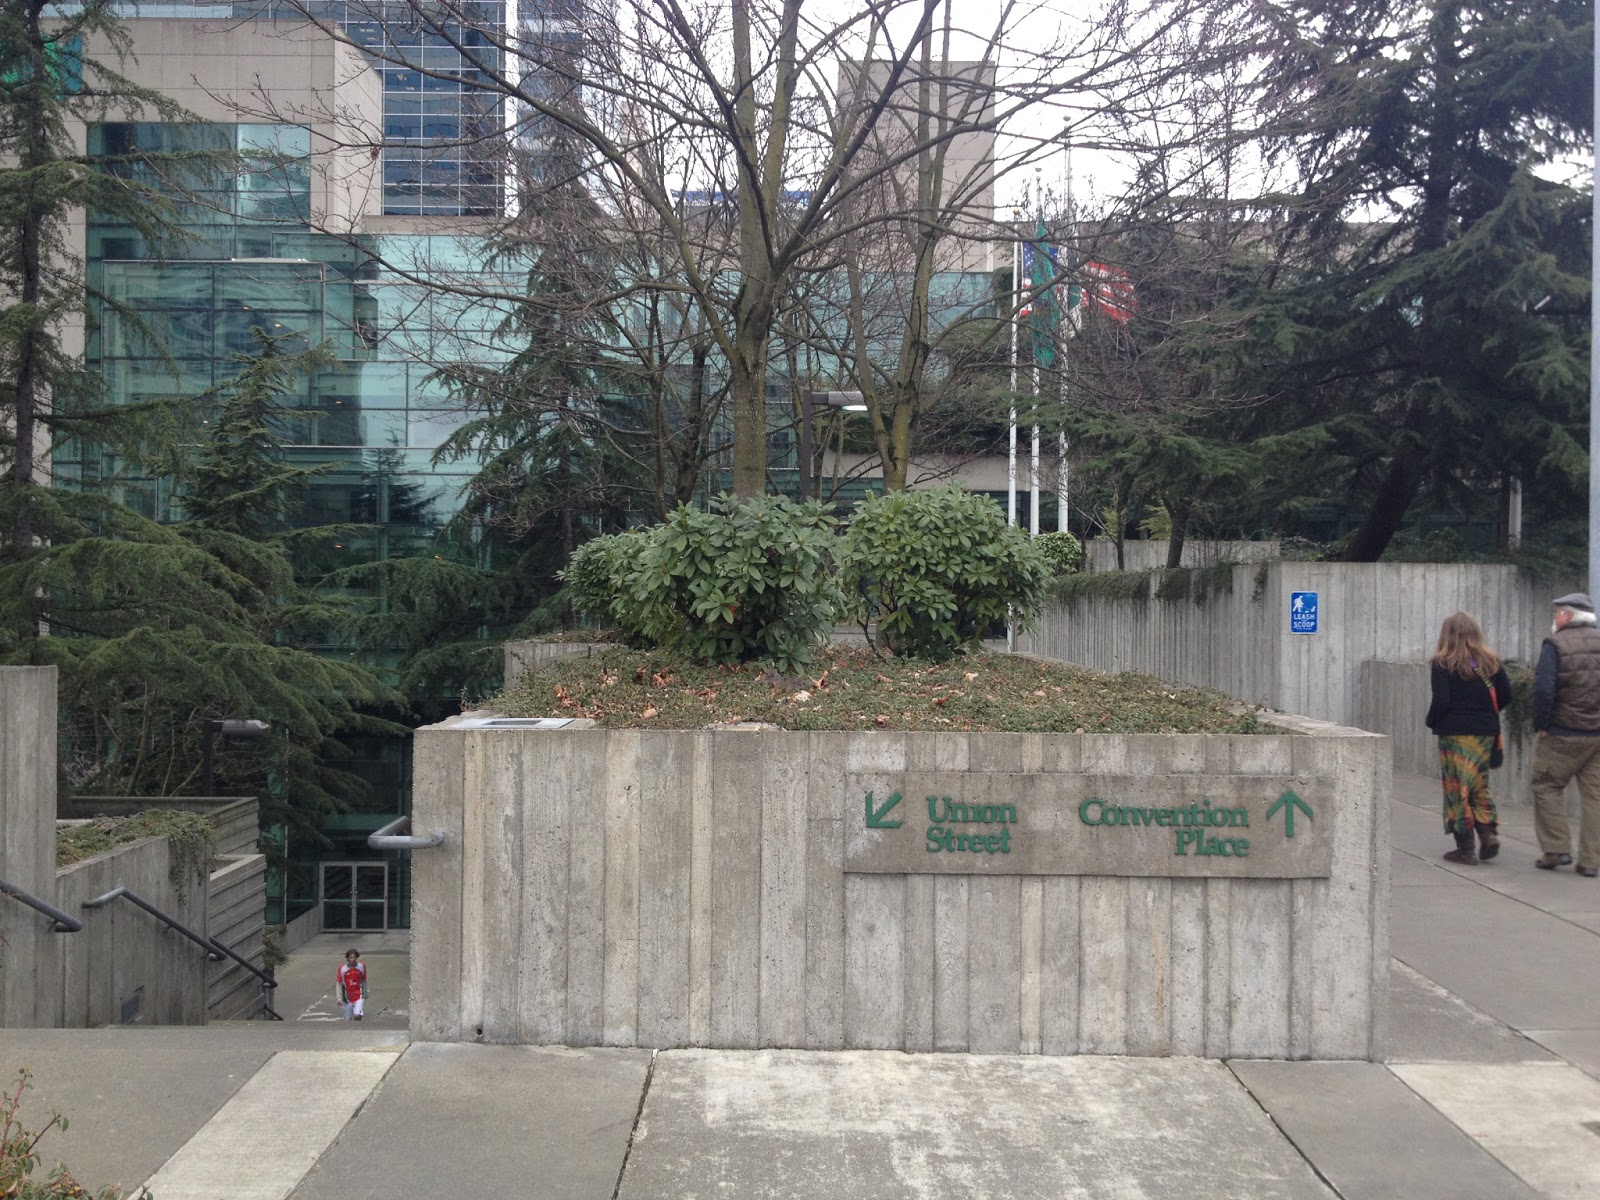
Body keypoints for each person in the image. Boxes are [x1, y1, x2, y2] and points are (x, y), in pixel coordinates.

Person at [1425, 612, 1512, 866]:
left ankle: (1465, 849)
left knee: (1457, 789)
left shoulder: (1442, 663)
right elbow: (1506, 695)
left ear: (1447, 635)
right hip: (1485, 733)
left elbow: (1442, 701)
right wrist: (1483, 713)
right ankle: (1488, 835)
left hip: (1455, 735)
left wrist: (1432, 721)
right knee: (1478, 784)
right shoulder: (1491, 661)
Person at [1531, 591, 1600, 877]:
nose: (1555, 617)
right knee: (1595, 796)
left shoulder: (1555, 644)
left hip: (1562, 732)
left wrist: (1542, 724)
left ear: (1568, 615)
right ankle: (1590, 861)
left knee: (1545, 783)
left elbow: (1544, 689)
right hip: (1597, 734)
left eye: (1558, 612)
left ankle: (1556, 849)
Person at [337, 948, 367, 1021]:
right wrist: (339, 997)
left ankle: (358, 1028)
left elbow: (364, 979)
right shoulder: (342, 969)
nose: (353, 959)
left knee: (357, 1014)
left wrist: (366, 991)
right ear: (348, 958)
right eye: (351, 957)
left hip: (359, 994)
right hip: (347, 996)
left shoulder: (361, 967)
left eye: (354, 957)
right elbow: (338, 983)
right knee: (347, 1019)